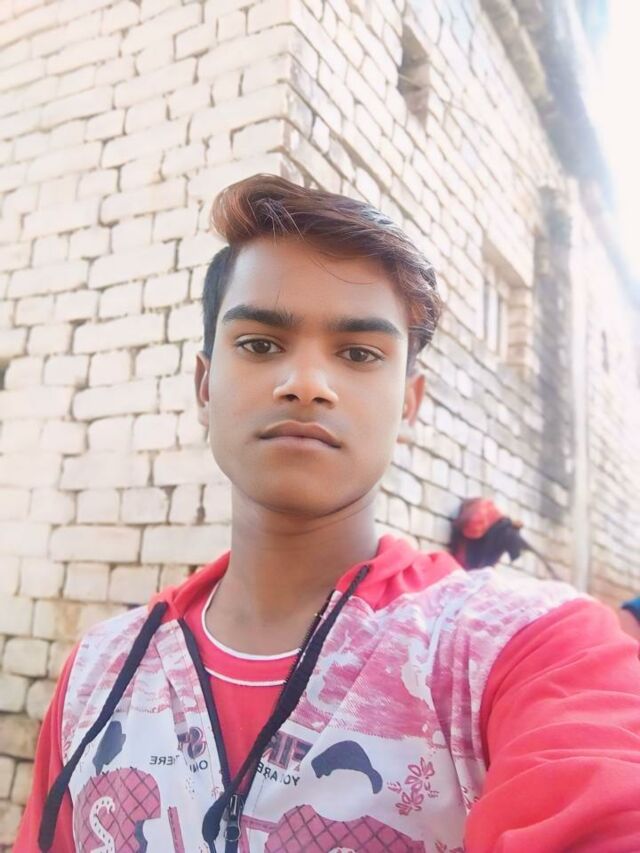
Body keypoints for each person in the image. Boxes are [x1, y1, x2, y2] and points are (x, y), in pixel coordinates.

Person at [16, 175, 640, 852]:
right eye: (260, 344)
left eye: (359, 354)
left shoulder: (528, 647)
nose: (307, 384)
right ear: (204, 385)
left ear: (409, 403)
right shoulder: (98, 675)